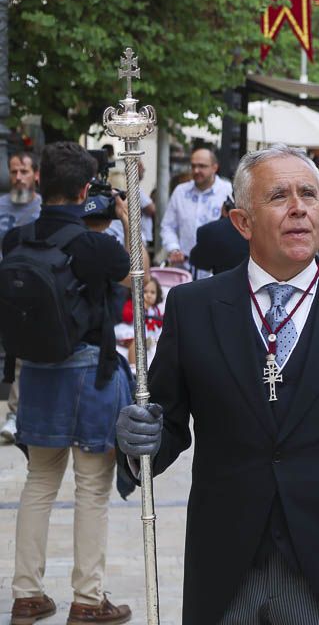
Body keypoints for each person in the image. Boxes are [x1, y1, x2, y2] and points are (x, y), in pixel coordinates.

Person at [114, 145, 319, 624]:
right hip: (226, 569)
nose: (299, 207)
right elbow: (167, 426)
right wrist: (137, 440)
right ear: (243, 222)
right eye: (279, 196)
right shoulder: (194, 309)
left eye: (309, 194)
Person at [2, 142, 142, 625]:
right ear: (86, 189)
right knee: (90, 488)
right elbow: (138, 279)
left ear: (40, 181)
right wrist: (128, 219)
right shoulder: (94, 245)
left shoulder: (14, 240)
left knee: (39, 482)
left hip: (36, 371)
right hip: (88, 373)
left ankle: (26, 595)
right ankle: (87, 599)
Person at [0, 151, 41, 446]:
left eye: (24, 171)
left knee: (21, 355)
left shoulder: (43, 209)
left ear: (36, 174)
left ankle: (17, 413)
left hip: (30, 291)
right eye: (14, 172)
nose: (18, 177)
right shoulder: (0, 206)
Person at [160, 146, 233, 274]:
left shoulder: (228, 191)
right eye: (193, 166)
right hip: (184, 268)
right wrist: (174, 248)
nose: (196, 170)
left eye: (202, 166)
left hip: (216, 271)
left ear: (215, 167)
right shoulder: (180, 191)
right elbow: (167, 226)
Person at [190, 196, 250, 276]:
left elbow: (199, 262)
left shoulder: (210, 231)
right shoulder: (265, 228)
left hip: (225, 286)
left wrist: (223, 217)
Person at [115, 275, 164, 368]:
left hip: (150, 334)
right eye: (145, 292)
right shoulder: (132, 304)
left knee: (158, 342)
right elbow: (127, 316)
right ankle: (134, 366)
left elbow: (159, 322)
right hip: (132, 331)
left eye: (152, 292)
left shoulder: (155, 309)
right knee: (136, 341)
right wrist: (139, 309)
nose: (149, 295)